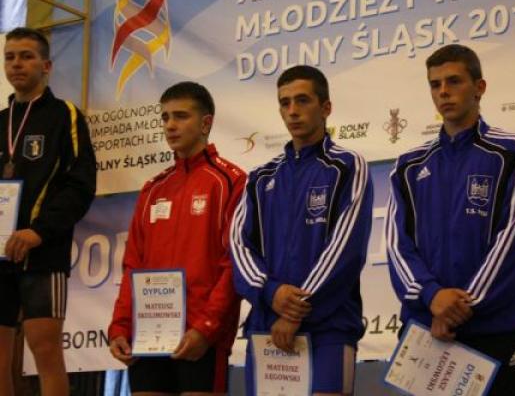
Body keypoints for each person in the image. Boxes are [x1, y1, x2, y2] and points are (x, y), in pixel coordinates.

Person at [385, 44, 515, 395]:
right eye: (435, 84)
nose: (443, 91)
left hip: (494, 329)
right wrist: (432, 297)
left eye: (454, 81)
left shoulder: (512, 151)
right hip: (425, 330)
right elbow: (397, 246)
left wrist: (458, 307)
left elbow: (514, 238)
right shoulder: (409, 165)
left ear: (479, 87)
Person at [231, 65, 373, 396]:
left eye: (302, 100)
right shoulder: (261, 178)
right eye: (285, 103)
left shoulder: (347, 166)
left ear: (326, 107)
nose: (292, 111)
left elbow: (345, 249)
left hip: (329, 326)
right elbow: (239, 246)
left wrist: (297, 309)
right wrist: (271, 293)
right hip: (267, 326)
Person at [108, 82, 245, 396]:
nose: (170, 125)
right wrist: (121, 326)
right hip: (148, 334)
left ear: (206, 123)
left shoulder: (231, 181)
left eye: (181, 116)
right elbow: (133, 265)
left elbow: (233, 266)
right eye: (165, 117)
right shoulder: (153, 188)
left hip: (200, 338)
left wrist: (207, 328)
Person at [0, 27, 97, 396]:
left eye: (26, 56)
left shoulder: (64, 116)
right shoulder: (0, 121)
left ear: (46, 65)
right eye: (10, 57)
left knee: (45, 351)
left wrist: (39, 231)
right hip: (0, 252)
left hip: (42, 252)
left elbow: (80, 185)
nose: (17, 64)